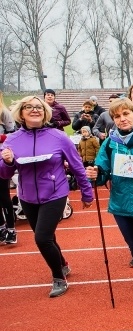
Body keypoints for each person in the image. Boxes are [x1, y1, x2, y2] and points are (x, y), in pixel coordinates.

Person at [0, 95, 94, 297]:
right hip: (27, 196)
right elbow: (5, 174)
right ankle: (63, 264)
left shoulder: (58, 136)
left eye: (39, 107)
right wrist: (7, 162)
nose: (35, 110)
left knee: (41, 238)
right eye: (29, 107)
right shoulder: (12, 140)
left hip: (55, 193)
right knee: (48, 236)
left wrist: (87, 192)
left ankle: (58, 277)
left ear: (45, 112)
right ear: (21, 113)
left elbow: (77, 166)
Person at [86, 98, 133, 304]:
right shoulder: (110, 143)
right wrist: (96, 173)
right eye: (117, 116)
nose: (122, 119)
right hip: (121, 203)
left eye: (126, 114)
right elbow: (102, 172)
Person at [0, 94, 16, 244]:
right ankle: (1, 227)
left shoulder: (4, 112)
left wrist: (1, 138)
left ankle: (11, 229)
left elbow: (13, 134)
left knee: (4, 196)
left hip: (1, 159)